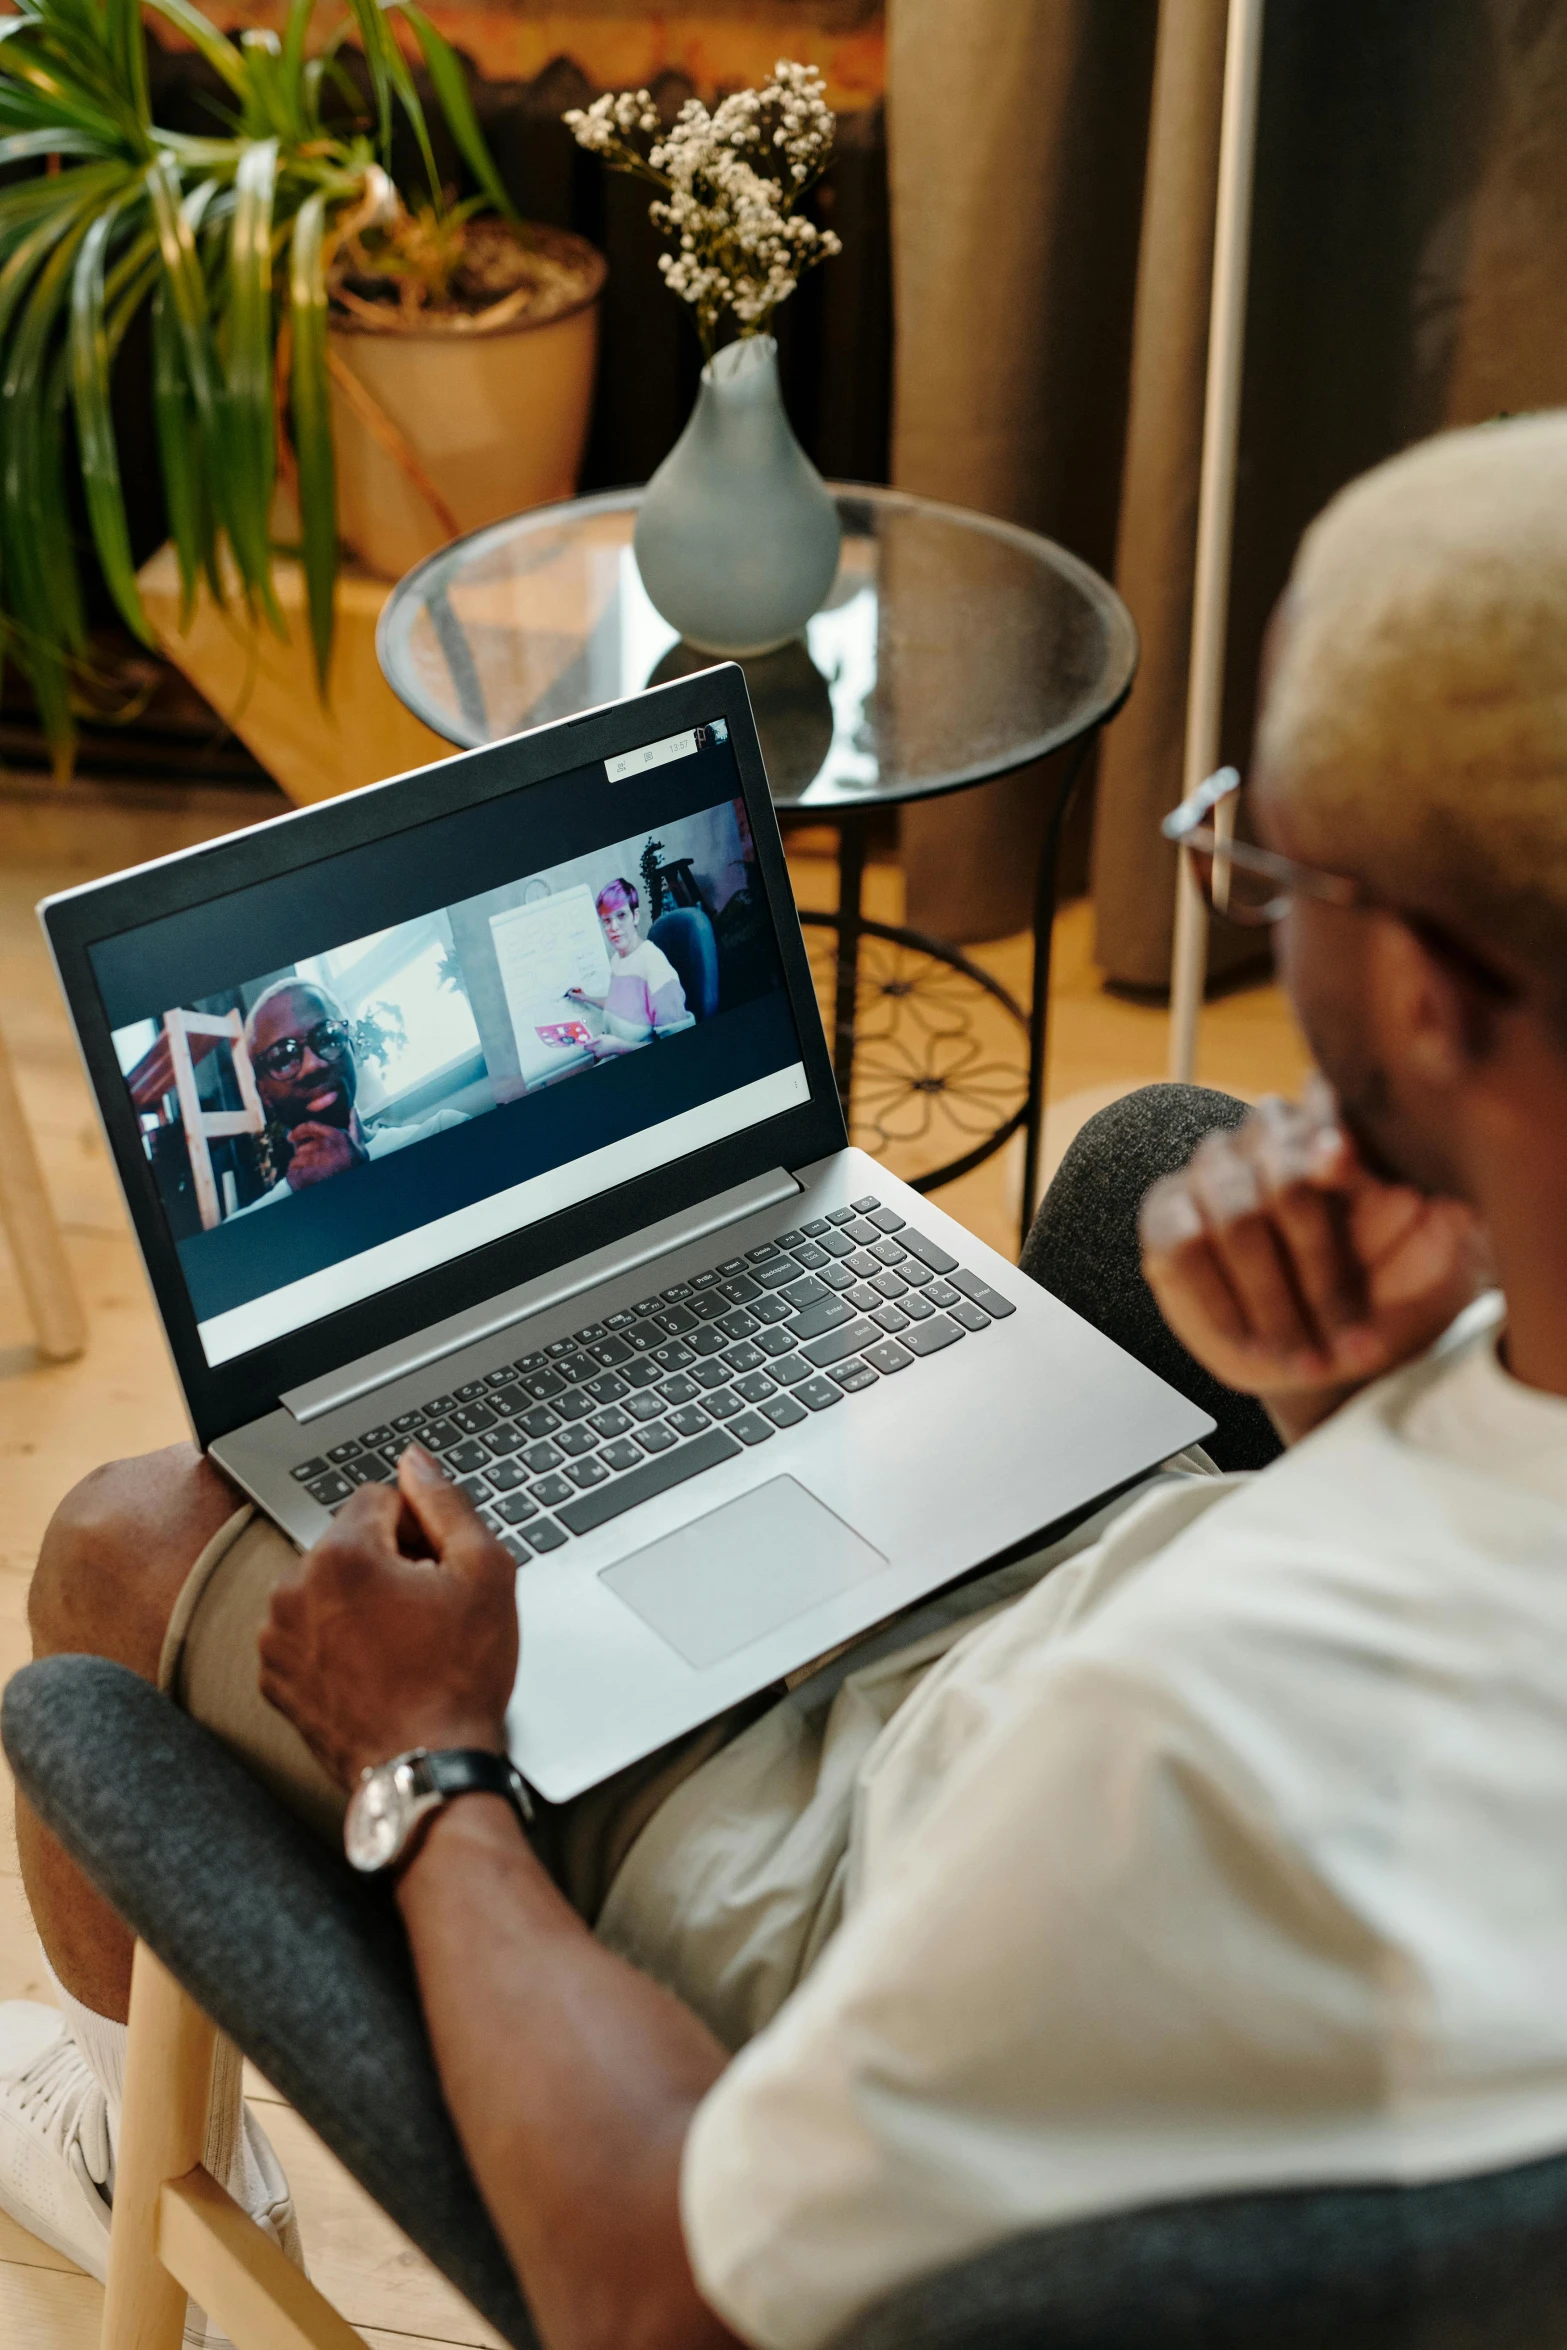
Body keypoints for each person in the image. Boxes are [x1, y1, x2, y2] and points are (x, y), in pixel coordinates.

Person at [5, 411, 1567, 2350]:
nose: (1244, 880)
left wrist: (436, 1759)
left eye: (1262, 854)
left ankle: (101, 2132)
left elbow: (662, 2300)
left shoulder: (1163, 1746)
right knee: (1120, 1157)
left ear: (1421, 987)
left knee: (115, 1537)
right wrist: (1360, 1416)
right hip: (1120, 1592)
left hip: (849, 1854)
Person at [232, 979, 468, 1213]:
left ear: (352, 1048)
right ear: (264, 1094)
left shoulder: (447, 1137)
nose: (313, 1064)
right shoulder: (242, 1236)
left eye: (327, 1037)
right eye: (283, 1057)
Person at [565, 877, 694, 1058]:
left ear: (635, 916)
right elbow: (624, 1003)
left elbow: (678, 1048)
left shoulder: (655, 966)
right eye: (606, 921)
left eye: (621, 915)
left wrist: (618, 1046)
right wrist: (586, 998)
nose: (614, 927)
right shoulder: (618, 959)